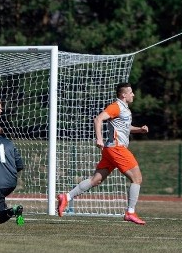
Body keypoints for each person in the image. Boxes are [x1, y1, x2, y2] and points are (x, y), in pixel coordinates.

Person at [56, 82, 149, 225]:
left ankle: (66, 197)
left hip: (111, 149)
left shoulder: (124, 108)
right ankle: (130, 212)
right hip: (117, 148)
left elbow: (125, 127)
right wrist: (99, 138)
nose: (133, 94)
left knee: (96, 180)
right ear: (124, 95)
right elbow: (98, 119)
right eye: (131, 92)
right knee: (137, 179)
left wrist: (139, 130)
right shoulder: (116, 106)